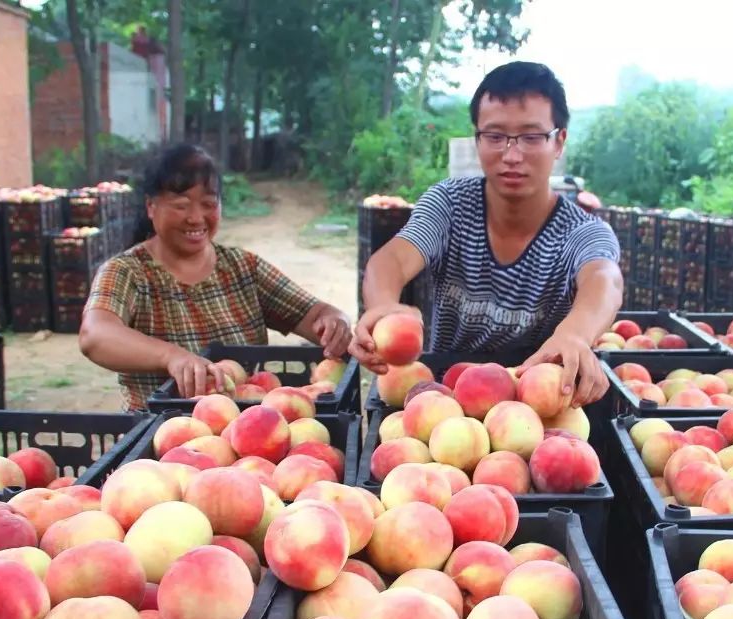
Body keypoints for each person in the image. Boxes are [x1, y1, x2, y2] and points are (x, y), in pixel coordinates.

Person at [349, 61, 624, 408]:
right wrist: (385, 307)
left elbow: (605, 279)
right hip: (442, 402)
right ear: (477, 139)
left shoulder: (581, 232)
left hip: (536, 407)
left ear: (559, 142)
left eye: (531, 137)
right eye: (495, 137)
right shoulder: (449, 205)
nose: (511, 155)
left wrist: (575, 334)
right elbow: (391, 259)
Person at [79, 144, 352, 411]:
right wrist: (171, 357)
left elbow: (314, 314)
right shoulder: (128, 271)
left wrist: (334, 320)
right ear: (151, 207)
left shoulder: (243, 268)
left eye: (209, 204)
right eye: (181, 205)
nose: (196, 218)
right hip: (160, 435)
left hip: (247, 430)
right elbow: (95, 335)